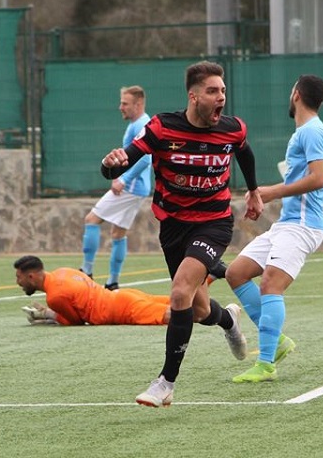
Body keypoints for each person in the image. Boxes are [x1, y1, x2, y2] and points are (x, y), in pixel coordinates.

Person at [100, 60, 264, 407]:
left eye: (223, 91)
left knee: (178, 294)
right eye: (212, 91)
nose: (221, 97)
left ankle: (165, 384)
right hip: (173, 226)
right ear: (193, 97)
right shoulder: (163, 128)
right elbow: (124, 160)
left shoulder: (232, 129)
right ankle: (229, 320)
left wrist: (253, 191)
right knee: (199, 309)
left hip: (214, 222)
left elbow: (245, 152)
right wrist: (109, 164)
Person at [225, 75, 323, 383]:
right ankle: (279, 341)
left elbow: (318, 178)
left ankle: (267, 363)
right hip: (287, 224)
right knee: (237, 273)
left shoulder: (312, 131)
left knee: (271, 283)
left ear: (296, 94)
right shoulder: (304, 131)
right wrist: (265, 197)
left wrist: (270, 192)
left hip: (302, 226)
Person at [80, 86, 152, 290]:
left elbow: (146, 159)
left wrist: (123, 179)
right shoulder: (140, 123)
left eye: (125, 103)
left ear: (138, 104)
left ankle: (86, 271)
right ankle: (112, 282)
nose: (120, 107)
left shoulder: (141, 124)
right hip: (139, 189)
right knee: (118, 233)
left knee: (92, 220)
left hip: (131, 187)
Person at [14, 255, 172, 325]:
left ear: (31, 277)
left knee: (176, 315)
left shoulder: (54, 296)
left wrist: (47, 314)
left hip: (120, 309)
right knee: (180, 303)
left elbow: (75, 322)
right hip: (124, 296)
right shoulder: (63, 271)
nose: (18, 282)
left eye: (19, 278)